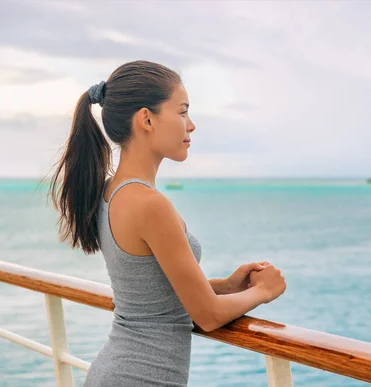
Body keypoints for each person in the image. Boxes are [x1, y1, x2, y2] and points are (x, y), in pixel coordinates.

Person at [48, 60, 287, 386]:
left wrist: (227, 286)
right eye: (183, 111)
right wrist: (263, 291)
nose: (191, 126)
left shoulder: (111, 191)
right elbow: (209, 315)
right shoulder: (150, 205)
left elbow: (149, 294)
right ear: (146, 119)